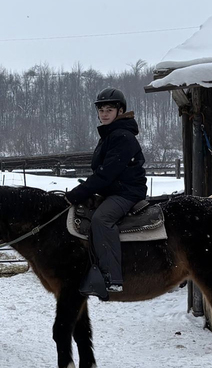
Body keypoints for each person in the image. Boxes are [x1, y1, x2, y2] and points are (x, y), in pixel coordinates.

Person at [64, 88, 147, 298]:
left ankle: (113, 278)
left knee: (101, 220)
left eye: (109, 109)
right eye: (101, 110)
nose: (104, 114)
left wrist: (76, 193)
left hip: (126, 193)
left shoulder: (122, 136)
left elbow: (106, 174)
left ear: (121, 111)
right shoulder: (109, 135)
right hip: (113, 190)